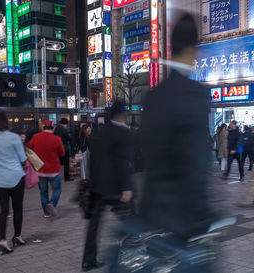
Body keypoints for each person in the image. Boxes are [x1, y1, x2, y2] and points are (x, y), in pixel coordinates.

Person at [139, 13, 216, 272]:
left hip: (152, 213)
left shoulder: (153, 96)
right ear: (194, 50)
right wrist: (205, 216)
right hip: (184, 218)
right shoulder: (195, 95)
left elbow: (145, 156)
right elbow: (196, 163)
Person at [82, 103, 133, 271]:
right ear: (121, 116)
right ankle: (134, 254)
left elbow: (91, 158)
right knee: (130, 220)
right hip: (115, 187)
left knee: (94, 225)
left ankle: (88, 261)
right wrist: (126, 187)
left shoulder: (99, 131)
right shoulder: (123, 133)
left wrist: (89, 181)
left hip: (97, 186)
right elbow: (122, 162)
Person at [0, 109, 27, 255]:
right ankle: (17, 236)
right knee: (18, 209)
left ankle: (2, 241)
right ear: (6, 120)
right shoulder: (13, 137)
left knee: (3, 210)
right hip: (15, 177)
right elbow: (23, 159)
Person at [28, 120, 65, 217]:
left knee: (43, 192)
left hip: (40, 170)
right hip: (53, 170)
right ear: (53, 128)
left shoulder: (36, 137)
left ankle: (46, 212)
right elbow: (62, 153)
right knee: (57, 190)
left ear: (43, 127)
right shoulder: (57, 139)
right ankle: (52, 204)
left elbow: (28, 147)